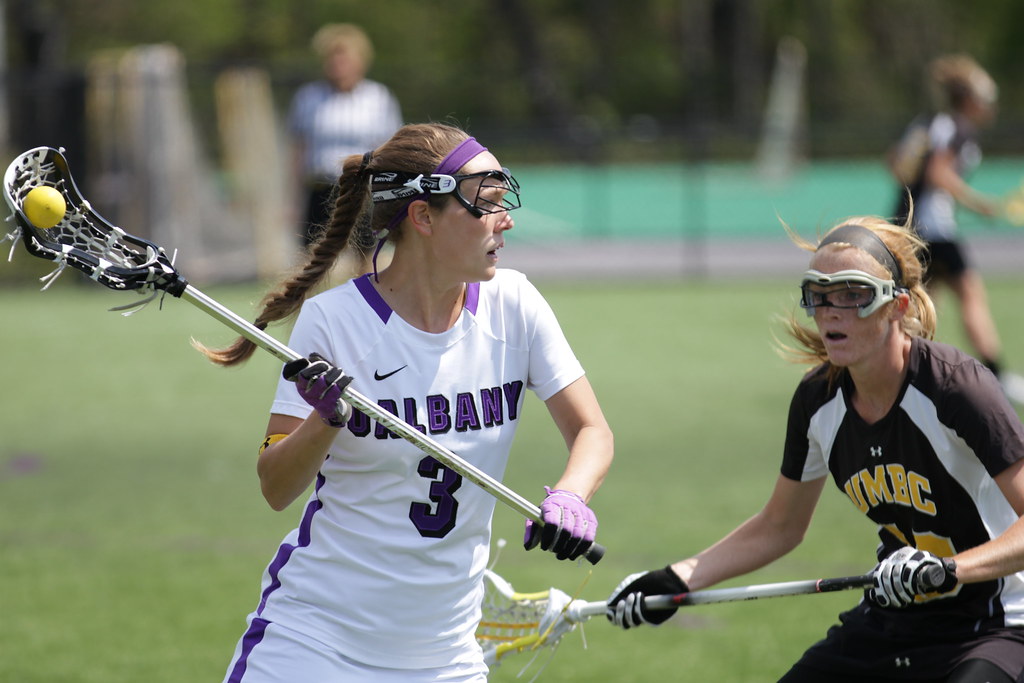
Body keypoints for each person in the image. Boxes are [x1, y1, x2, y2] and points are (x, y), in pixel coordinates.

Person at [206, 122, 613, 682]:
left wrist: (572, 495)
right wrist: (327, 420)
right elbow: (276, 486)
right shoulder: (333, 322)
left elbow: (592, 431)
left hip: (446, 659)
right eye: (485, 204)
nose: (506, 220)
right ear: (422, 216)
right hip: (313, 646)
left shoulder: (515, 304)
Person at [607, 217, 1024, 682]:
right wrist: (677, 579)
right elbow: (780, 526)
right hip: (894, 619)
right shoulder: (818, 401)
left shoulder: (956, 388)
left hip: (998, 624)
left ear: (896, 306)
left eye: (853, 294)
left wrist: (950, 569)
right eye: (818, 295)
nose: (831, 311)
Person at [888, 54, 1024, 405]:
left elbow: (896, 164)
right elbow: (938, 173)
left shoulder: (926, 122)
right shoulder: (959, 128)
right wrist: (980, 204)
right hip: (934, 229)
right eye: (986, 99)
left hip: (906, 226)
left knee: (920, 307)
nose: (989, 107)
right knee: (970, 296)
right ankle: (998, 376)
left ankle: (901, 376)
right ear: (969, 99)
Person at [287, 22, 403, 259]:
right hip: (320, 188)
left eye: (344, 58)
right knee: (312, 256)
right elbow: (298, 151)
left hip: (361, 189)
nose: (337, 65)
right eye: (332, 57)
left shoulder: (378, 98)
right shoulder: (308, 98)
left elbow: (389, 150)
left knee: (364, 255)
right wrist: (291, 198)